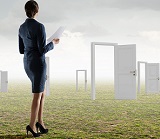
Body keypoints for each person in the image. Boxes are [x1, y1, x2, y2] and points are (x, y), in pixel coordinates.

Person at [18, 0, 59, 137]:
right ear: (37, 11)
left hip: (27, 64)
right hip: (38, 64)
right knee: (37, 94)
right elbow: (42, 50)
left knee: (42, 91)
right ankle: (31, 125)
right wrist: (53, 43)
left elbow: (21, 50)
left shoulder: (21, 27)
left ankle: (40, 122)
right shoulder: (40, 26)